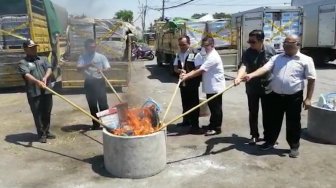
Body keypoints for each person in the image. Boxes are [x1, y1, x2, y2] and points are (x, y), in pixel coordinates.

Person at [244, 35, 316, 158]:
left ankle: (294, 146)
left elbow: (311, 79)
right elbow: (265, 68)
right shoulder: (277, 58)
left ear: (297, 44)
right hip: (275, 95)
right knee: (273, 121)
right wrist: (251, 75)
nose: (285, 46)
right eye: (284, 44)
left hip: (294, 97)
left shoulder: (306, 60)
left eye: (289, 44)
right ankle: (270, 142)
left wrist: (308, 98)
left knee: (293, 122)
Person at [234, 30, 276, 145]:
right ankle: (254, 135)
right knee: (253, 112)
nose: (251, 44)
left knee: (268, 114)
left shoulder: (271, 50)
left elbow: (275, 67)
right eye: (249, 41)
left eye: (253, 42)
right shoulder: (247, 52)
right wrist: (238, 77)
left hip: (268, 87)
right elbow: (244, 66)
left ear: (261, 41)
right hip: (252, 87)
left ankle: (268, 137)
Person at [181, 36, 226, 136]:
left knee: (216, 108)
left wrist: (187, 76)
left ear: (212, 45)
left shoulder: (213, 57)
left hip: (215, 87)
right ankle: (212, 124)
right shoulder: (207, 53)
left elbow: (201, 70)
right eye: (203, 45)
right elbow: (199, 60)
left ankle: (216, 128)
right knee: (212, 107)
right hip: (210, 86)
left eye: (206, 46)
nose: (204, 48)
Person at [18, 40, 55, 143]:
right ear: (25, 49)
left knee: (47, 112)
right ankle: (41, 134)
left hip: (46, 91)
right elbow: (26, 75)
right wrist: (37, 81)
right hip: (34, 92)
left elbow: (49, 68)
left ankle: (47, 131)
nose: (34, 49)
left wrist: (45, 78)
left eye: (35, 47)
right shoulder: (23, 62)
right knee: (38, 114)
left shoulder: (42, 59)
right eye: (31, 47)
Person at [77, 39, 111, 130]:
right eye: (90, 47)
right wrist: (87, 65)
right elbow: (78, 69)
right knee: (92, 105)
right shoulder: (82, 57)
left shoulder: (101, 57)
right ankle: (96, 124)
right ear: (86, 48)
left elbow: (108, 67)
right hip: (89, 83)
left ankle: (107, 124)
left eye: (94, 46)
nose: (93, 48)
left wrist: (102, 70)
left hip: (100, 82)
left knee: (103, 104)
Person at [173, 35, 203, 134]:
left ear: (189, 44)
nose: (182, 46)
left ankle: (195, 125)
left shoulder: (195, 54)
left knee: (193, 104)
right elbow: (175, 68)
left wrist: (188, 75)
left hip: (192, 83)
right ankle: (186, 121)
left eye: (184, 44)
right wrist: (179, 70)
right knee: (185, 103)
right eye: (180, 44)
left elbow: (198, 68)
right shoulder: (178, 54)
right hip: (183, 83)